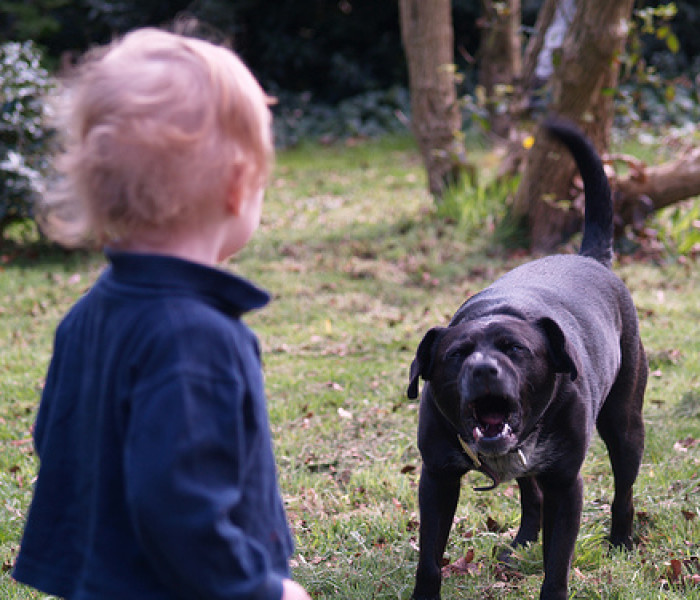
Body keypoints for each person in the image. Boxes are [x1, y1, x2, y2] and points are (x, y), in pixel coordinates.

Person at [12, 27, 311, 600]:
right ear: (237, 185)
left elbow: (56, 438)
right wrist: (259, 590)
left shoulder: (88, 314)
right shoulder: (197, 338)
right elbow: (179, 503)